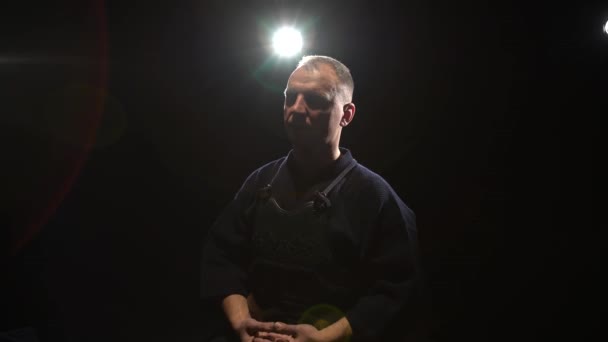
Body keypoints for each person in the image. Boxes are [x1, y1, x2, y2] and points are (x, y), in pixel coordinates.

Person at [201, 55, 419, 342]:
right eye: (290, 98)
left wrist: (327, 337)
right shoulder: (260, 182)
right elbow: (222, 257)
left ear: (347, 114)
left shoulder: (375, 197)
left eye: (315, 100)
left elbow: (397, 289)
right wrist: (242, 322)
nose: (296, 109)